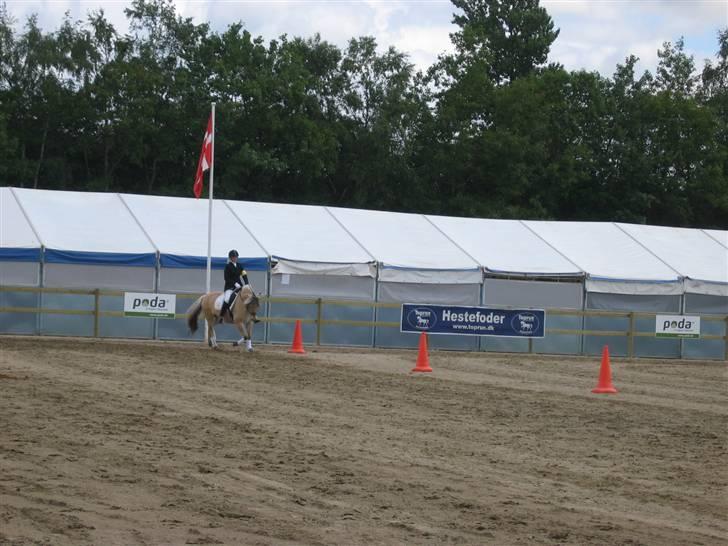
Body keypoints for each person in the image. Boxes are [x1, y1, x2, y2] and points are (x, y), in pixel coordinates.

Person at [219, 249, 249, 323]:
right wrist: (234, 283)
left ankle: (250, 314)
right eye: (233, 257)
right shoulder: (227, 266)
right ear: (230, 258)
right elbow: (226, 278)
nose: (235, 258)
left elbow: (244, 274)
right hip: (230, 287)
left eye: (236, 257)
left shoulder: (239, 265)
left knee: (248, 296)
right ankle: (221, 316)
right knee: (226, 299)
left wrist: (247, 283)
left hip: (239, 286)